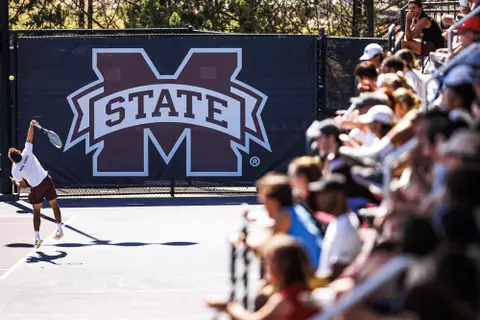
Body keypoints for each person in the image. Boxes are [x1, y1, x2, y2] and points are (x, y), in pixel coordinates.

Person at [206, 234, 320, 320]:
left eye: (268, 262)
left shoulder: (284, 299)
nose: (265, 266)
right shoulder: (307, 289)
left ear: (281, 267)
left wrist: (229, 306)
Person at [8, 120, 63, 248]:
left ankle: (37, 239)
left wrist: (14, 181)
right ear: (18, 152)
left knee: (37, 212)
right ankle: (59, 229)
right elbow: (30, 137)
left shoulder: (15, 170)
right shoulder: (27, 152)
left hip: (37, 188)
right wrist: (31, 125)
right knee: (54, 205)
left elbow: (23, 186)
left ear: (12, 160)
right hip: (47, 181)